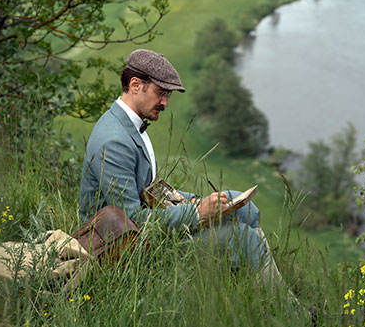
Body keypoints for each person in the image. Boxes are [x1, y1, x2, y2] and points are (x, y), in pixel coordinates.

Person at [79, 49, 280, 280]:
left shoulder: (131, 124)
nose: (165, 103)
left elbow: (148, 190)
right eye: (160, 93)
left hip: (151, 223)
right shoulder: (114, 141)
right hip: (127, 247)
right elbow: (132, 220)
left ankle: (267, 286)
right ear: (135, 85)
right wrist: (196, 213)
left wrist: (191, 200)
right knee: (241, 237)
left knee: (246, 209)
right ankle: (286, 309)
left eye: (168, 95)